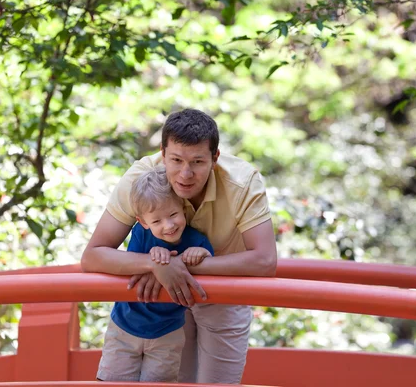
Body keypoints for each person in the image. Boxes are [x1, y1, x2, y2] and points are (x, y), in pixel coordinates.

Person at [82, 108, 278, 384]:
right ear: (163, 155)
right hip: (164, 297)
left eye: (198, 161)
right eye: (175, 160)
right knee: (174, 381)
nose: (185, 174)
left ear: (215, 158)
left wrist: (181, 265)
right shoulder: (143, 179)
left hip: (223, 290)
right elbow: (92, 255)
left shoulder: (242, 182)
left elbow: (265, 261)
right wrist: (154, 264)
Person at [97, 166, 214, 382]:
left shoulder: (196, 240)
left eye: (172, 215)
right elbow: (132, 266)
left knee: (159, 382)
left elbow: (211, 264)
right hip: (126, 325)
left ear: (182, 207)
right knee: (113, 380)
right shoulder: (141, 234)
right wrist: (153, 261)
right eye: (157, 221)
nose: (168, 226)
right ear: (143, 221)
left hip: (167, 332)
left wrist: (202, 253)